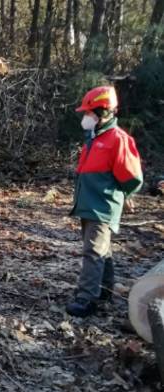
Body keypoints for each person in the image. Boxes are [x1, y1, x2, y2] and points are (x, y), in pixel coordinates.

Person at [66, 85, 143, 317]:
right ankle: (105, 289)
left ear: (104, 113)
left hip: (102, 206)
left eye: (89, 113)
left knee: (93, 252)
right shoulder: (94, 138)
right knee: (102, 249)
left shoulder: (118, 140)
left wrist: (126, 195)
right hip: (89, 204)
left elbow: (132, 177)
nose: (85, 117)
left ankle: (86, 299)